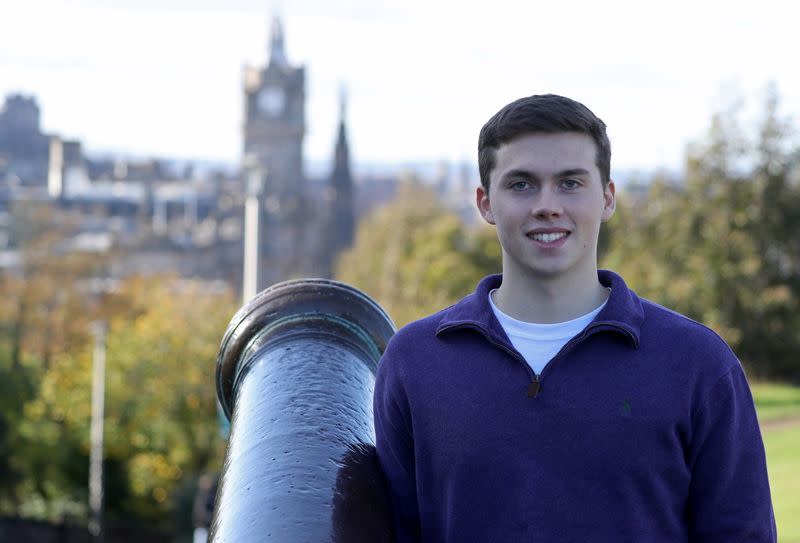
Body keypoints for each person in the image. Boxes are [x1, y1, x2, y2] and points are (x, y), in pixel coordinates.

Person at [373, 94, 776, 542]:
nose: (547, 205)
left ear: (607, 198)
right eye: (521, 184)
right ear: (485, 203)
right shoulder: (415, 362)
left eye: (570, 183)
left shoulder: (698, 363)